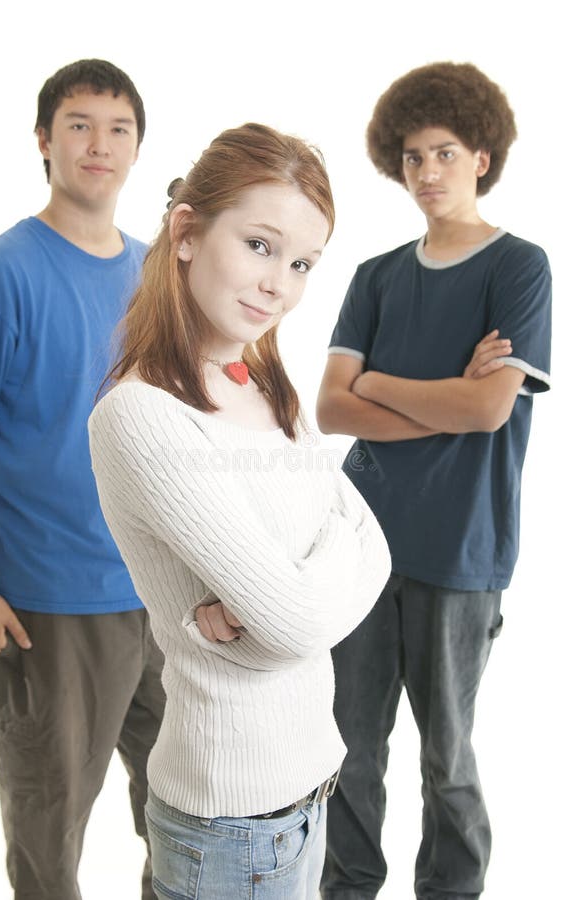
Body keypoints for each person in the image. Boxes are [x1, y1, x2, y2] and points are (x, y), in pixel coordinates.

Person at [88, 122, 391, 899]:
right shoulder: (143, 417)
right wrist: (291, 610)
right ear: (186, 233)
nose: (279, 285)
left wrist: (280, 611)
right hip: (231, 828)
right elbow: (298, 622)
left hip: (309, 790)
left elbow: (373, 546)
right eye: (259, 245)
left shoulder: (263, 384)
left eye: (300, 264)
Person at [316, 62, 552, 900]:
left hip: (461, 549)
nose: (427, 173)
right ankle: (347, 887)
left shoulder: (520, 269)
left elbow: (490, 410)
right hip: (361, 542)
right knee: (347, 746)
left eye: (444, 153)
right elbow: (331, 410)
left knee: (445, 755)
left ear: (481, 156)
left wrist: (379, 382)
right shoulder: (378, 276)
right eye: (413, 157)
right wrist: (432, 396)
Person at [0, 59, 165, 900]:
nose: (99, 145)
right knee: (51, 832)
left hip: (157, 590)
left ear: (136, 150)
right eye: (79, 125)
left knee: (189, 808)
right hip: (46, 600)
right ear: (44, 142)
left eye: (119, 129)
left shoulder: (160, 273)